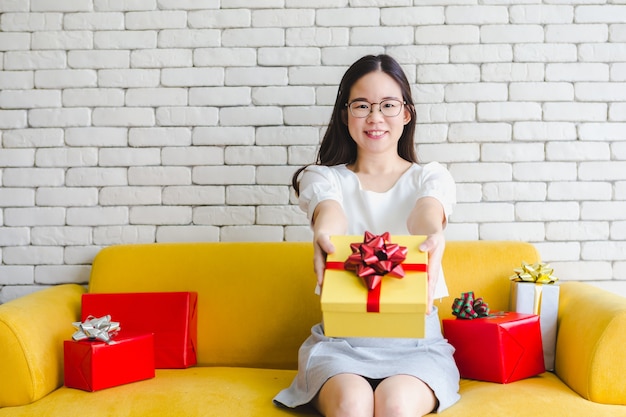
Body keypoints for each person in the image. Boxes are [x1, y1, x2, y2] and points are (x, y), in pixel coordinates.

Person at [273, 54, 460, 416]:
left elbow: (425, 211)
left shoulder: (430, 177)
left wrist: (433, 234)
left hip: (416, 347)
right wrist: (323, 234)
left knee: (395, 405)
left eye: (388, 105)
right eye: (362, 105)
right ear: (345, 115)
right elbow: (330, 212)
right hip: (341, 345)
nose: (375, 117)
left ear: (406, 113)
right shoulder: (324, 177)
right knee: (351, 405)